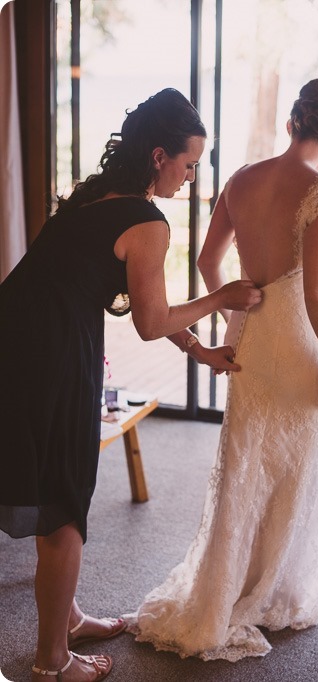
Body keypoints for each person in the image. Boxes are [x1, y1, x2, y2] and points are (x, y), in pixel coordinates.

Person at [0, 88, 262, 681]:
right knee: (65, 504)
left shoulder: (97, 197)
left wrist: (196, 349)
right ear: (159, 155)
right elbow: (149, 322)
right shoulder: (147, 221)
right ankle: (51, 663)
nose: (192, 178)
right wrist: (222, 297)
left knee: (53, 487)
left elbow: (151, 307)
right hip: (53, 357)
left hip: (17, 340)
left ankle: (65, 619)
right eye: (189, 165)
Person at [124, 77, 318, 661]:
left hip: (253, 335)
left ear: (291, 124)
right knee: (291, 472)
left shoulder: (242, 179)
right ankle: (272, 590)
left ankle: (228, 589)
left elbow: (209, 262)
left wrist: (233, 313)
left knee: (247, 462)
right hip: (301, 344)